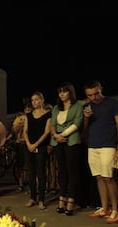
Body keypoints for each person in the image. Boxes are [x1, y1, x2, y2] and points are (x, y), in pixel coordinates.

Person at [83, 80, 118, 224]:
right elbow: (85, 129)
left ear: (101, 89)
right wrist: (86, 118)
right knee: (99, 177)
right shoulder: (89, 106)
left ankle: (115, 210)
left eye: (96, 93)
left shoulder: (113, 103)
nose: (94, 97)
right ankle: (104, 207)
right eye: (90, 95)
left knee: (108, 178)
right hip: (93, 145)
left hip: (108, 144)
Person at [50, 83, 83, 216]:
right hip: (58, 141)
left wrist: (63, 135)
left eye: (64, 92)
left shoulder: (78, 105)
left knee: (72, 171)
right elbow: (52, 124)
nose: (62, 94)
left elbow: (78, 122)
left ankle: (71, 200)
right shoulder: (56, 108)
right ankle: (61, 199)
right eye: (60, 92)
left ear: (70, 92)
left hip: (71, 140)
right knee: (61, 171)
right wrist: (56, 136)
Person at [24, 91, 52, 209]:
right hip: (29, 146)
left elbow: (47, 132)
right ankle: (32, 197)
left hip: (41, 146)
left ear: (42, 100)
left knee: (41, 172)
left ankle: (41, 199)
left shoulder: (48, 115)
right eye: (32, 100)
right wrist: (29, 144)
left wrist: (36, 144)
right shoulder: (29, 115)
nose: (34, 102)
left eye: (36, 99)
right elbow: (25, 131)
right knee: (31, 173)